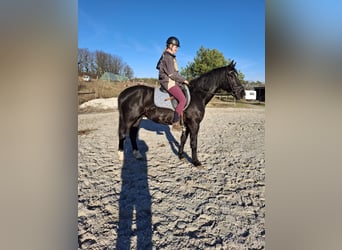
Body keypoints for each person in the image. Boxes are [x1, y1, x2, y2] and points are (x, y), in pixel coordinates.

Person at [156, 36, 189, 131]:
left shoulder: (166, 56)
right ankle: (175, 122)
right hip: (168, 82)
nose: (177, 49)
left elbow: (158, 66)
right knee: (183, 100)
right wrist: (184, 80)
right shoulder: (168, 57)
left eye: (177, 47)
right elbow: (172, 74)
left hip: (170, 80)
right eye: (176, 47)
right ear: (170, 46)